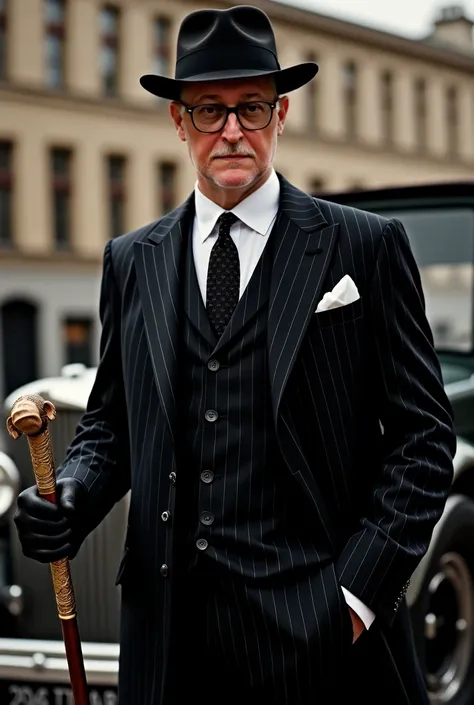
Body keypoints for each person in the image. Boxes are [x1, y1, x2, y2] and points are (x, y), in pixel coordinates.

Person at [13, 5, 455, 705]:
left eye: (250, 107)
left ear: (279, 115)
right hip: (167, 636)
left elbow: (425, 441)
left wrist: (353, 598)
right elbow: (112, 427)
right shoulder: (132, 260)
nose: (231, 131)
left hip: (316, 632)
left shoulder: (362, 246)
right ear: (178, 122)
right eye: (209, 110)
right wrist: (69, 494)